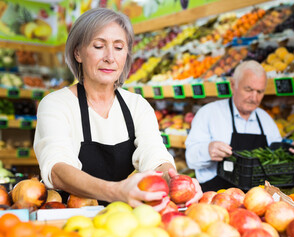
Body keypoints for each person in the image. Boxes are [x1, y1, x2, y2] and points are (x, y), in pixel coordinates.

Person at [34, 8, 202, 210]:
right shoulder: (56, 104)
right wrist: (115, 191)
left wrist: (177, 181)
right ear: (78, 52)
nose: (110, 57)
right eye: (98, 46)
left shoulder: (137, 106)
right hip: (67, 218)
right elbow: (57, 169)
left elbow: (154, 154)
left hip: (123, 218)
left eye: (119, 47)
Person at [185, 60, 294, 192]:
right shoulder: (209, 113)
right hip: (217, 197)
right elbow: (190, 158)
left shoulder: (266, 120)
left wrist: (292, 151)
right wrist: (207, 150)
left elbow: (276, 157)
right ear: (233, 85)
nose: (254, 97)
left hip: (258, 198)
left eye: (259, 92)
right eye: (248, 89)